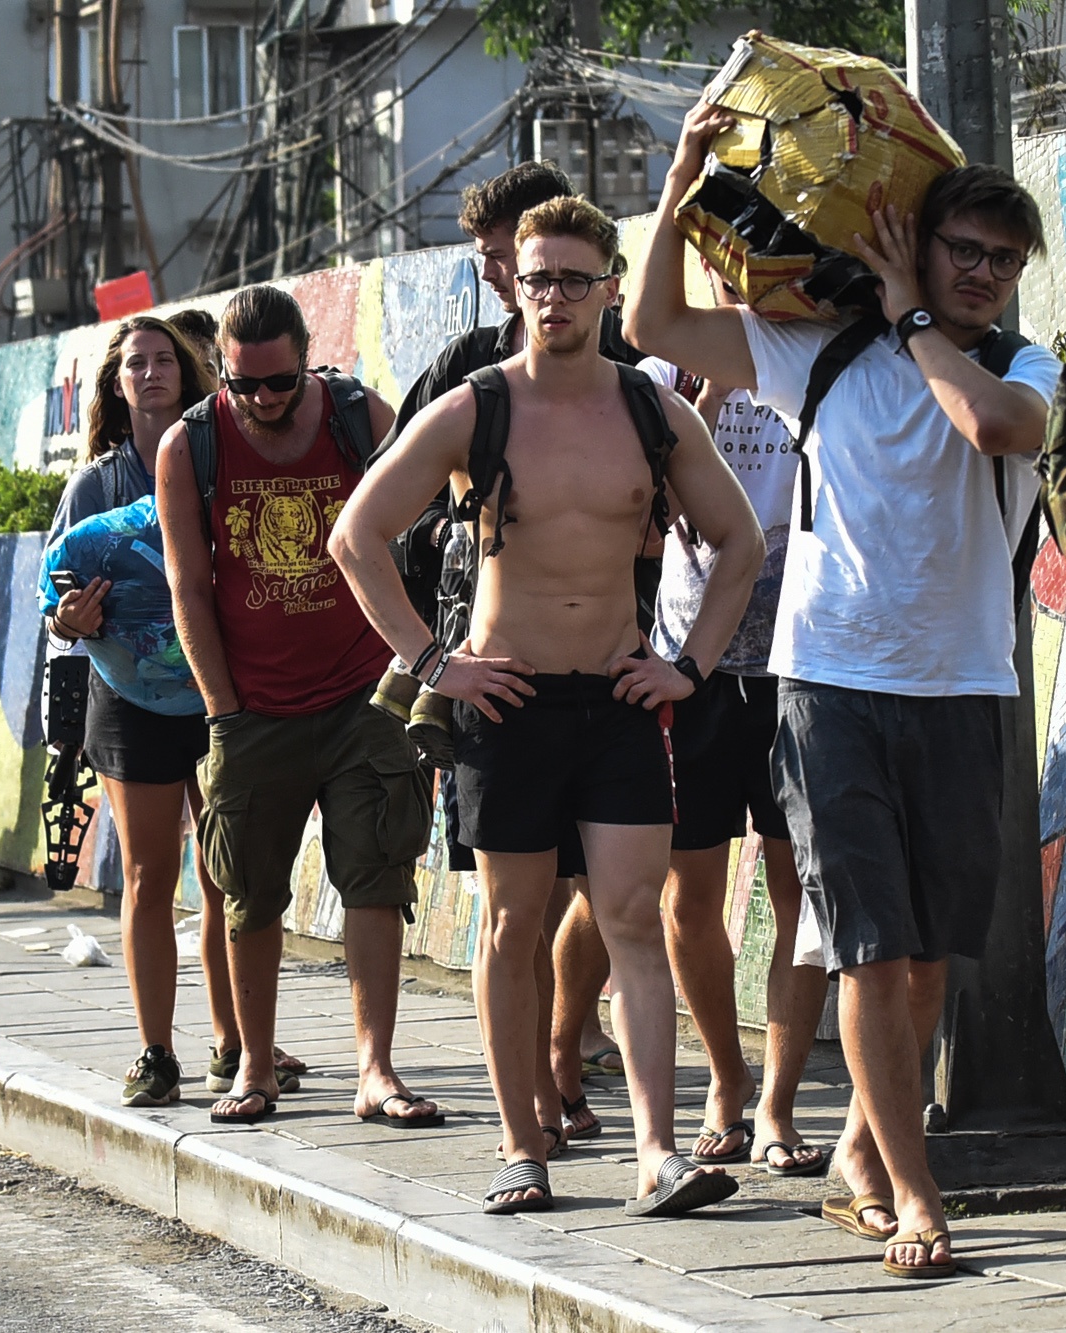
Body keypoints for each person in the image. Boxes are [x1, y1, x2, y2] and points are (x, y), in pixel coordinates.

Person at [625, 104, 1062, 1278]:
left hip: (967, 686)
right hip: (829, 686)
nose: (983, 274)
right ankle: (915, 1198)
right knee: (870, 948)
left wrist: (917, 318)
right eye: (963, 249)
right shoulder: (809, 354)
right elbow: (653, 321)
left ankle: (867, 1154)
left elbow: (990, 423)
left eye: (1002, 261)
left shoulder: (1022, 362)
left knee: (925, 960)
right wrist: (677, 175)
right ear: (915, 242)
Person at [330, 194, 764, 1215]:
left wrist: (688, 666)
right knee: (513, 922)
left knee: (631, 920)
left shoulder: (653, 409)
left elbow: (738, 542)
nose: (555, 297)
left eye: (575, 278)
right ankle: (521, 1145)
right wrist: (436, 663)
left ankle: (657, 1152)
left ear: (610, 286)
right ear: (514, 288)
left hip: (617, 695)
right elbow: (358, 535)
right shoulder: (476, 406)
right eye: (538, 280)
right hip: (506, 699)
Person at [155, 284, 440, 1132]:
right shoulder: (191, 446)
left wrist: (409, 667)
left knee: (377, 877)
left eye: (277, 383)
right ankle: (253, 1062)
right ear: (221, 373)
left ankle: (376, 1069)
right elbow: (188, 586)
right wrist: (223, 709)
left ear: (306, 357)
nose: (262, 400)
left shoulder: (360, 419)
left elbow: (420, 540)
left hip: (361, 696)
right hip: (253, 708)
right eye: (243, 385)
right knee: (247, 891)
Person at [384, 159, 609, 1149]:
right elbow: (388, 515)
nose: (505, 281)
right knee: (521, 901)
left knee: (622, 891)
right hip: (493, 673)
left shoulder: (630, 371)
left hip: (613, 670)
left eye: (510, 259)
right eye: (491, 263)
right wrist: (435, 654)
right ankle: (530, 1107)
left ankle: (567, 1037)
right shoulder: (466, 373)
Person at [44, 316, 305, 1107]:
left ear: (188, 376)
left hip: (222, 692)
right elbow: (52, 603)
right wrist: (71, 619)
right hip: (127, 701)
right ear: (118, 384)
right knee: (151, 875)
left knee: (228, 870)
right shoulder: (96, 485)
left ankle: (235, 1043)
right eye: (136, 363)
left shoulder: (222, 459)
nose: (151, 372)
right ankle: (156, 1052)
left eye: (165, 360)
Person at [639, 261, 829, 1177]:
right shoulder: (660, 377)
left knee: (801, 892)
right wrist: (710, 395)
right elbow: (654, 512)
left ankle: (779, 1104)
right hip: (692, 665)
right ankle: (723, 1076)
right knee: (690, 897)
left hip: (803, 661)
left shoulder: (817, 357)